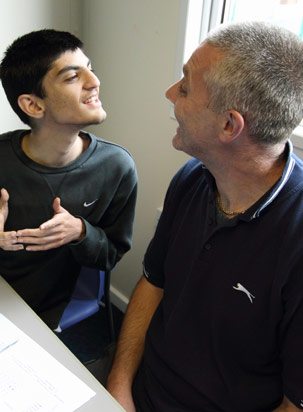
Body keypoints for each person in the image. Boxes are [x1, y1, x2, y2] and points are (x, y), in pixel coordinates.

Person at [107, 22, 303, 412]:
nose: (168, 94)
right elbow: (153, 282)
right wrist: (119, 386)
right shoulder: (193, 178)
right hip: (140, 394)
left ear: (229, 125)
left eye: (184, 87)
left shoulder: (296, 239)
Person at [0, 29, 137, 328]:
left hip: (47, 304)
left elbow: (110, 253)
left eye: (90, 69)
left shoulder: (116, 167)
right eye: (72, 77)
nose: (95, 82)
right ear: (33, 105)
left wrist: (79, 231)